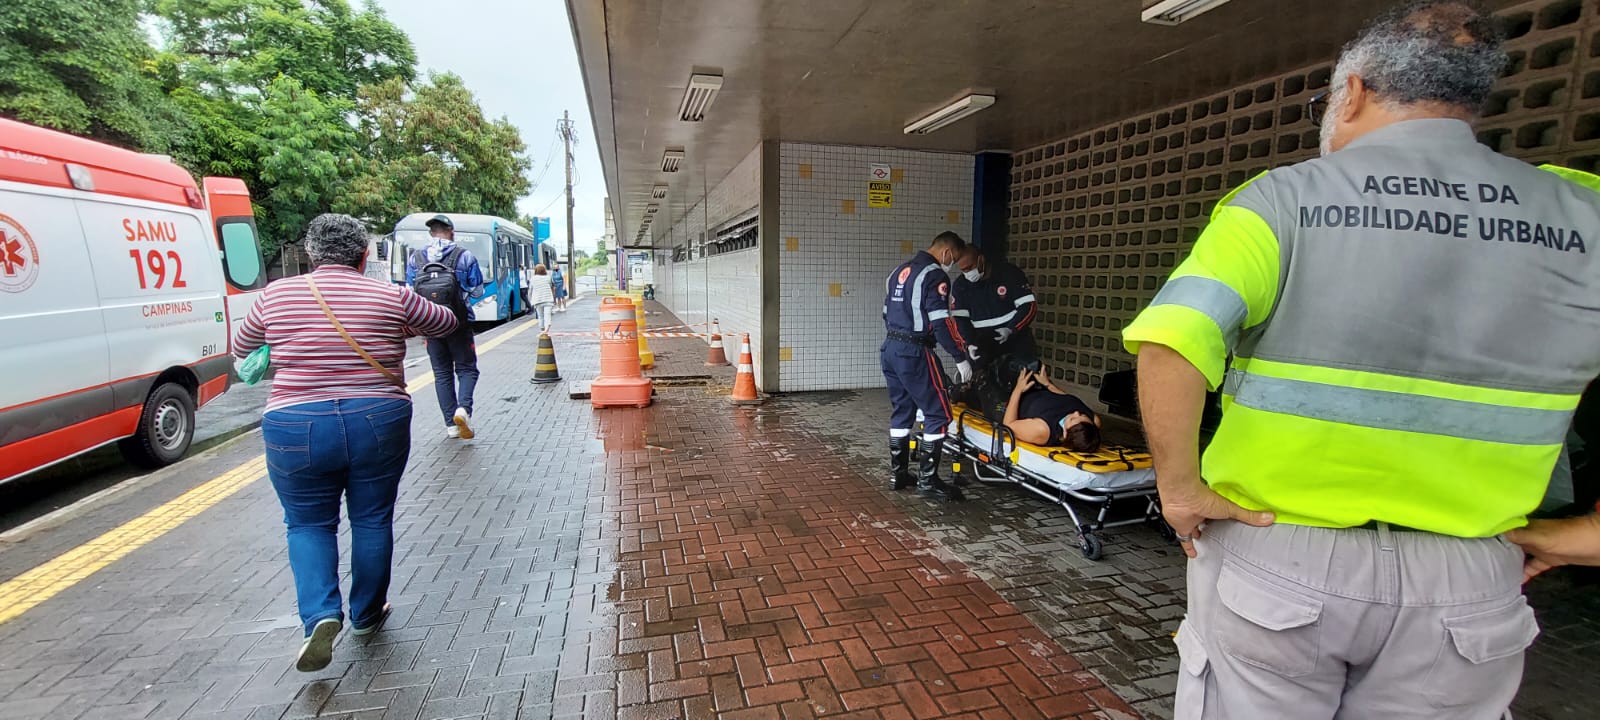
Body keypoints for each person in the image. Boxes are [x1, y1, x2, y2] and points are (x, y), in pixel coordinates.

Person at [1120, 3, 1600, 717]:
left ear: (1352, 92)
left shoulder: (1281, 202)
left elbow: (1173, 340)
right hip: (1470, 573)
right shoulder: (1584, 215)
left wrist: (1181, 490)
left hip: (1281, 555)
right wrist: (1587, 536)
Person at [232, 214, 458, 672]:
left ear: (311, 255)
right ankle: (367, 614)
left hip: (295, 423)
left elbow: (243, 346)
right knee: (372, 518)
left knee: (307, 525)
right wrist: (399, 324)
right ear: (362, 255)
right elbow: (445, 322)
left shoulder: (275, 295)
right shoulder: (389, 295)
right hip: (377, 416)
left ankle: (319, 615)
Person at [881, 231, 972, 501]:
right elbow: (941, 321)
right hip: (914, 351)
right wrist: (959, 357)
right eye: (954, 259)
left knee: (902, 410)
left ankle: (898, 474)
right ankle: (928, 481)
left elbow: (886, 313)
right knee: (938, 413)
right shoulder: (935, 275)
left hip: (890, 348)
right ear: (946, 253)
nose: (952, 264)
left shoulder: (898, 272)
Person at [405, 214, 484, 440]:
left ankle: (450, 425)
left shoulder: (416, 258)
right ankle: (463, 409)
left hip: (430, 325)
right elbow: (477, 290)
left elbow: (410, 290)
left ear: (431, 233)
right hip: (459, 323)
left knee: (441, 373)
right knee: (467, 369)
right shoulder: (464, 256)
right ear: (452, 232)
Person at [951, 245, 1040, 414]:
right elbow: (960, 321)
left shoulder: (1009, 274)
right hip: (983, 344)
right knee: (984, 392)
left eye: (970, 268)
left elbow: (1029, 306)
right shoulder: (961, 286)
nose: (968, 273)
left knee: (1027, 384)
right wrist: (968, 344)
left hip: (1015, 340)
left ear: (981, 260)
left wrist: (1011, 329)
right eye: (963, 270)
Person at [1002, 367, 1101, 452]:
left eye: (1072, 419)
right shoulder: (1093, 421)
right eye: (1082, 414)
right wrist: (1048, 384)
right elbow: (1066, 399)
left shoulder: (1042, 430)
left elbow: (1008, 425)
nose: (1076, 412)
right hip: (1038, 386)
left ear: (1065, 434)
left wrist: (1018, 390)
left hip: (1012, 397)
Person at [530, 264, 557, 333]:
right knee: (547, 315)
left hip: (538, 300)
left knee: (540, 316)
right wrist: (553, 298)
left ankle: (542, 329)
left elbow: (530, 290)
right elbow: (552, 287)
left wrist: (530, 299)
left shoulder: (533, 278)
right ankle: (547, 329)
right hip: (548, 299)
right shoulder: (548, 277)